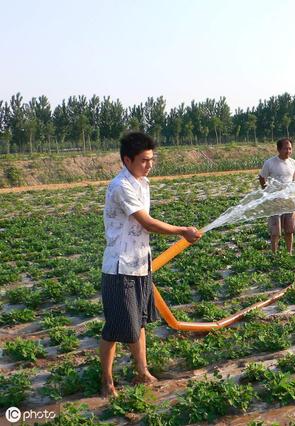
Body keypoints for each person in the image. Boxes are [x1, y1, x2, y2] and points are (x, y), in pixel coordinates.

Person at [99, 132, 201, 398]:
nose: (149, 165)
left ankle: (142, 371)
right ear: (127, 160)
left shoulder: (142, 183)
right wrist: (181, 230)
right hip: (120, 268)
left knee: (140, 322)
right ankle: (107, 381)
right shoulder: (121, 186)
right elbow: (146, 222)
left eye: (151, 160)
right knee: (115, 328)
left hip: (141, 264)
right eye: (144, 160)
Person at [258, 138, 295, 254]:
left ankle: (289, 252)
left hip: (289, 200)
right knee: (275, 231)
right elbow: (262, 177)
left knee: (289, 229)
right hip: (275, 200)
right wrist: (266, 190)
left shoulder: (293, 163)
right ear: (278, 149)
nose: (288, 151)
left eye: (290, 148)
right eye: (285, 148)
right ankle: (274, 253)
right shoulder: (270, 163)